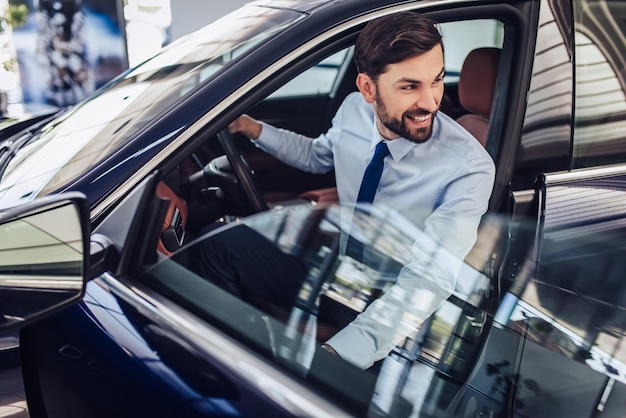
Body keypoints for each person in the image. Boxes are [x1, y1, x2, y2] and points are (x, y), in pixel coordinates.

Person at [204, 11, 495, 369]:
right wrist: (251, 127)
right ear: (368, 89)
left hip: (394, 301)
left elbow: (428, 279)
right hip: (343, 274)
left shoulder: (467, 167)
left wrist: (340, 355)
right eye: (409, 86)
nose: (431, 101)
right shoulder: (354, 111)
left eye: (436, 81)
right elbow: (317, 155)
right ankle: (229, 362)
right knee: (217, 244)